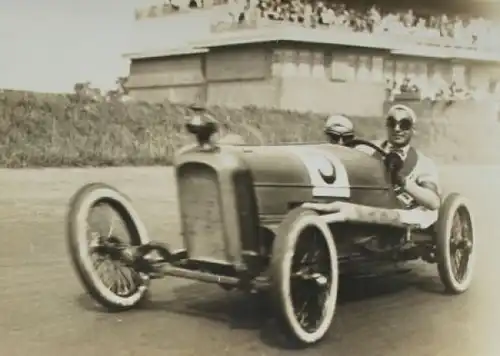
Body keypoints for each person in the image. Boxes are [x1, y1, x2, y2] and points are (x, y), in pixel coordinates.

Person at [304, 104, 442, 230]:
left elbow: (433, 202)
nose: (397, 129)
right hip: (363, 205)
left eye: (404, 124)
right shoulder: (366, 150)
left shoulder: (423, 163)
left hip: (399, 215)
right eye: (392, 123)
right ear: (387, 126)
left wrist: (402, 181)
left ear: (414, 129)